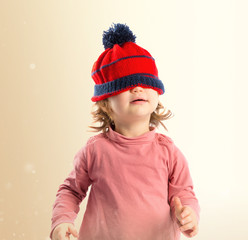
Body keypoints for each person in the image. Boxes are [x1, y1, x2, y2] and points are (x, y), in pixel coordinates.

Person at [50, 23, 200, 240]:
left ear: (157, 94)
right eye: (126, 84)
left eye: (145, 82)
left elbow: (185, 194)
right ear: (106, 103)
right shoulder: (95, 150)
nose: (138, 88)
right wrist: (61, 221)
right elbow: (71, 191)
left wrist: (188, 214)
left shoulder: (168, 151)